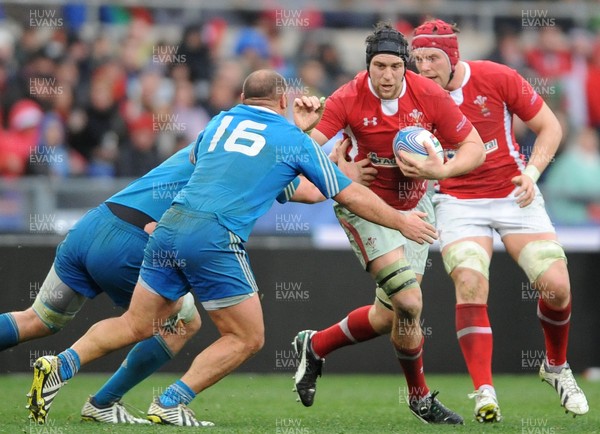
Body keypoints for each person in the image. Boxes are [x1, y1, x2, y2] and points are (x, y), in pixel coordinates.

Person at [26, 69, 438, 427]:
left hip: (169, 227)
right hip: (215, 236)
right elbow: (346, 195)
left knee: (137, 324)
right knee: (247, 337)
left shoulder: (218, 124)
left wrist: (304, 134)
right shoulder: (291, 138)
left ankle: (61, 364)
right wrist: (401, 219)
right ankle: (171, 402)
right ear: (283, 100)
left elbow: (259, 172)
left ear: (242, 99)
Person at [3, 139, 321, 425]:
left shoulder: (212, 139)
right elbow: (312, 189)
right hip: (132, 239)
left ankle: (95, 396)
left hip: (92, 226)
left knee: (37, 319)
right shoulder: (250, 162)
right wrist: (342, 165)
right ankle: (87, 386)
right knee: (182, 320)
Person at [292, 22, 485, 425]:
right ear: (368, 67)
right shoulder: (348, 96)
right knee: (410, 301)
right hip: (365, 208)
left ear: (406, 67)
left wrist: (443, 169)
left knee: (392, 315)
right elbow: (303, 151)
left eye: (396, 67)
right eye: (379, 66)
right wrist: (334, 167)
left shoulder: (429, 94)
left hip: (414, 210)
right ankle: (419, 398)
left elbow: (474, 148)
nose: (387, 76)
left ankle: (315, 345)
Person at [409, 18, 589, 422]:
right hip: (457, 199)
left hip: (512, 191)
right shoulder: (413, 93)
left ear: (453, 57)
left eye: (432, 58)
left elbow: (550, 127)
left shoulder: (496, 76)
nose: (423, 67)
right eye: (417, 58)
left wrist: (533, 173)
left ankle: (556, 366)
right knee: (470, 282)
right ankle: (484, 390)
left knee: (556, 286)